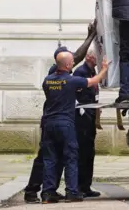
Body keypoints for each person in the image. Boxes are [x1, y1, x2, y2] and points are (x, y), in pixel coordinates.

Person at [23, 21, 97, 204]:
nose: (72, 60)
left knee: (51, 157)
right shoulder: (56, 72)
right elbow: (78, 56)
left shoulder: (56, 74)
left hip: (52, 121)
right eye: (69, 59)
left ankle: (49, 191)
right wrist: (90, 37)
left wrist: (90, 37)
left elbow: (76, 57)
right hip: (56, 121)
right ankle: (33, 190)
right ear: (61, 62)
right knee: (46, 158)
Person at [41, 51, 109, 204]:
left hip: (49, 124)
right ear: (66, 65)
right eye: (71, 62)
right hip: (65, 123)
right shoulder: (71, 81)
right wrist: (104, 69)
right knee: (71, 157)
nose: (73, 64)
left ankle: (48, 193)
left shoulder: (47, 81)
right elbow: (94, 81)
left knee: (50, 158)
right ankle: (72, 192)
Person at [73, 48, 101, 198]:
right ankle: (78, 186)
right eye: (97, 57)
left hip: (90, 117)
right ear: (90, 57)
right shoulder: (80, 72)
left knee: (90, 152)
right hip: (82, 118)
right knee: (82, 153)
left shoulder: (92, 72)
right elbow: (79, 96)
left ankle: (86, 186)